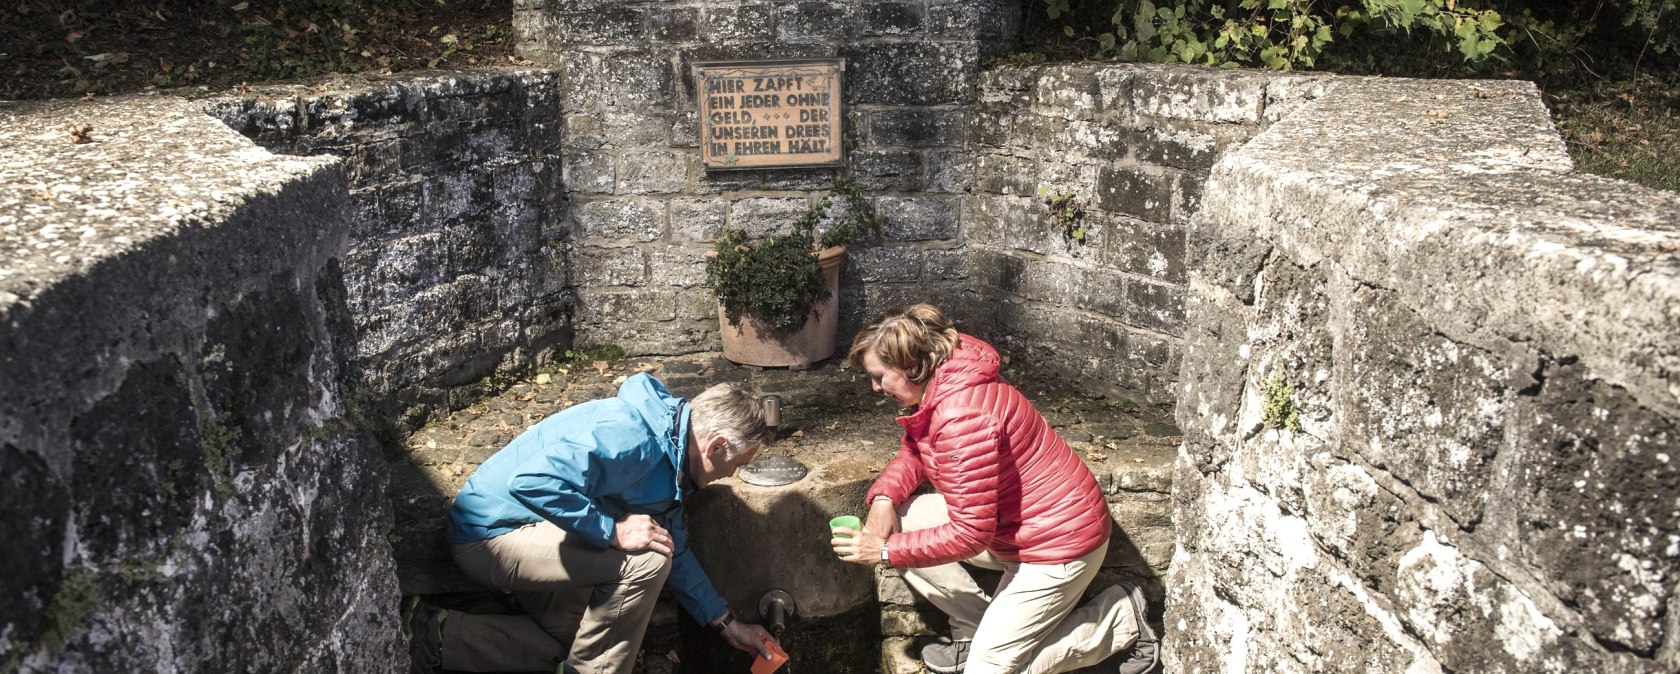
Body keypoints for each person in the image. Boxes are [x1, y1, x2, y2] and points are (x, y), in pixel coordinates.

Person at [831, 304, 1159, 674]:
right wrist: (886, 497)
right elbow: (917, 450)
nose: (876, 388)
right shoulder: (948, 379)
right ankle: (977, 631)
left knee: (990, 669)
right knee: (903, 519)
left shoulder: (961, 416)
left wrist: (885, 551)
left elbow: (971, 534)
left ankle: (1117, 620)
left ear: (911, 366)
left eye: (878, 376)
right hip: (1018, 529)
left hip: (1058, 545)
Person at [404, 373, 779, 674]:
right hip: (490, 536)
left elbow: (674, 545)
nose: (732, 474)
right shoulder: (634, 439)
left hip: (538, 533)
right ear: (714, 447)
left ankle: (433, 634)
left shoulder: (672, 455)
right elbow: (532, 482)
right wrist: (613, 531)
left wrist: (727, 624)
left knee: (575, 645)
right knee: (648, 561)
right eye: (738, 464)